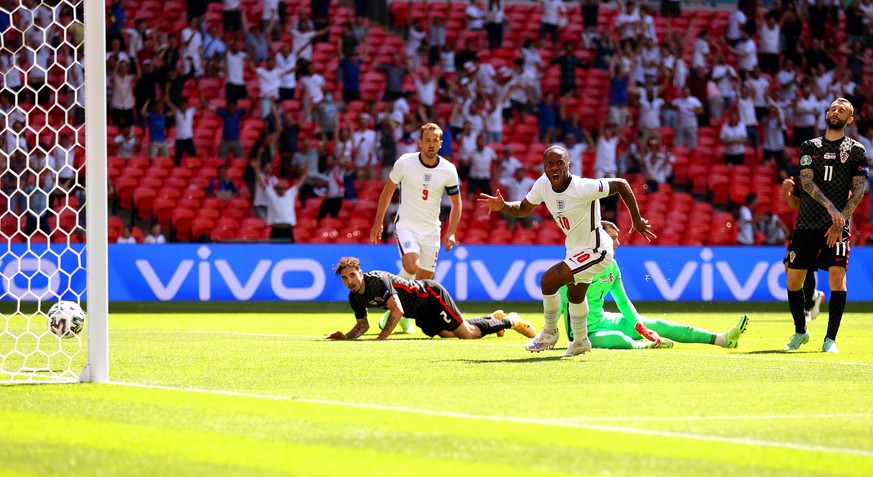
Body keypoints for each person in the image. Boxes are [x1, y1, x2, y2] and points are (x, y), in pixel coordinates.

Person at [478, 145, 656, 357]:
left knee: (548, 280)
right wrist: (504, 206)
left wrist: (636, 219)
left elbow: (621, 184)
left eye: (559, 163)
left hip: (597, 250)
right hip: (576, 250)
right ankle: (581, 341)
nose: (554, 168)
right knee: (575, 294)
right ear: (544, 167)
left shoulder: (582, 187)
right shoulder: (543, 184)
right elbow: (523, 209)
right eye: (549, 164)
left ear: (568, 164)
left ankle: (549, 333)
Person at [558, 221, 749, 349]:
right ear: (598, 240)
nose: (617, 242)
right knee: (619, 338)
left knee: (658, 324)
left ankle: (723, 340)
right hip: (584, 332)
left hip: (605, 320)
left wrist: (641, 328)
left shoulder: (612, 266)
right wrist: (549, 333)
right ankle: (647, 345)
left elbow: (623, 302)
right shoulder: (577, 267)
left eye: (617, 237)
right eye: (612, 238)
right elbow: (560, 301)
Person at [784, 98, 868, 353]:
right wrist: (830, 208)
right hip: (807, 223)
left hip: (837, 226)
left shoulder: (856, 150)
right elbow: (806, 182)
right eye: (833, 108)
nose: (836, 111)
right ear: (827, 113)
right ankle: (801, 331)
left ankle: (830, 339)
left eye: (842, 110)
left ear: (849, 120)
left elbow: (859, 189)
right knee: (793, 281)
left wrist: (840, 218)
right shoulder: (811, 145)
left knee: (837, 279)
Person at [370, 123, 462, 335]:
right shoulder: (405, 163)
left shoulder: (448, 170)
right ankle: (392, 307)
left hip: (432, 231)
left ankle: (398, 316)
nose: (431, 144)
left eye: (435, 140)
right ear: (420, 142)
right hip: (407, 226)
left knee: (421, 286)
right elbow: (387, 192)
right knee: (411, 266)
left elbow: (457, 204)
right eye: (427, 140)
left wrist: (452, 231)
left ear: (441, 143)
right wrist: (378, 222)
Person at [326, 256, 536, 341]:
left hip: (430, 296)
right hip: (420, 312)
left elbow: (397, 310)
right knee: (448, 333)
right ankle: (493, 318)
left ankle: (510, 321)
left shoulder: (377, 281)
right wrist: (345, 337)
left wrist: (382, 338)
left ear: (360, 273)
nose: (350, 281)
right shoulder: (354, 297)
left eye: (352, 275)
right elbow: (362, 326)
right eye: (345, 278)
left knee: (467, 335)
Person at [781, 176, 824, 322]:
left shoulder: (827, 173)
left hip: (820, 228)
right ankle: (814, 296)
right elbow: (795, 205)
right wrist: (787, 193)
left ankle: (806, 308)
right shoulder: (803, 174)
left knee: (807, 267)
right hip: (801, 229)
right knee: (790, 266)